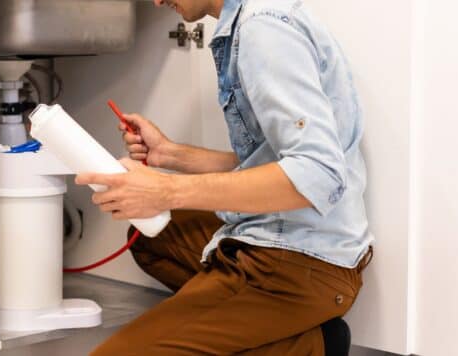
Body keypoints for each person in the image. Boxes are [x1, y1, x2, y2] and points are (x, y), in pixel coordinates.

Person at [75, 0, 374, 354]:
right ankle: (301, 338)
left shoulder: (263, 29)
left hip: (298, 260)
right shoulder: (252, 21)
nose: (156, 1)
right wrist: (171, 155)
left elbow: (316, 174)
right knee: (152, 238)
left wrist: (166, 190)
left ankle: (299, 338)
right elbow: (272, 161)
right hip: (290, 236)